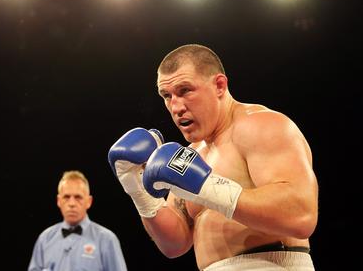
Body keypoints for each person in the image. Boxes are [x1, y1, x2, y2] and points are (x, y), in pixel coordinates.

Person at [108, 44, 318, 270]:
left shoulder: (260, 126)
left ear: (219, 85)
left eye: (185, 90)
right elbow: (174, 245)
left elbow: (301, 216)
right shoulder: (191, 155)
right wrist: (138, 189)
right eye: (167, 96)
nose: (176, 107)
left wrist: (207, 187)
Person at [28, 170, 128, 271]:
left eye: (78, 197)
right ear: (59, 201)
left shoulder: (107, 239)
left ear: (89, 201)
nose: (72, 203)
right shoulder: (45, 239)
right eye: (66, 197)